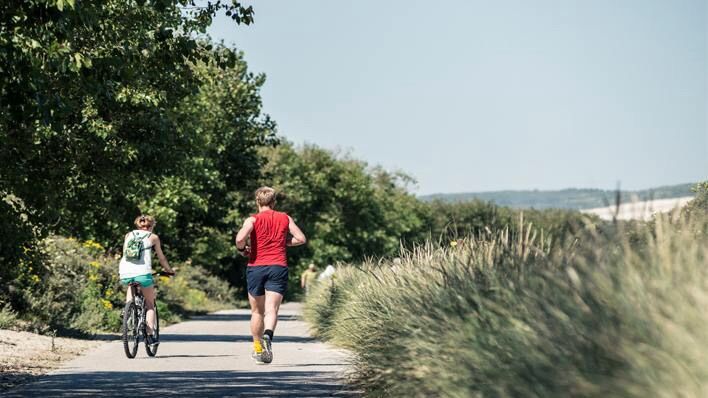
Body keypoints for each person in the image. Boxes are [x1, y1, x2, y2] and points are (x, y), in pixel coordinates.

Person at [236, 187, 307, 364]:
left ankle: (258, 349)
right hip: (278, 266)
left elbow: (239, 239)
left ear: (257, 202)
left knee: (256, 311)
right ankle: (268, 335)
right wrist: (283, 242)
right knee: (272, 310)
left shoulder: (252, 219)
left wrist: (242, 249)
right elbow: (300, 239)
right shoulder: (285, 218)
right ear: (274, 202)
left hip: (256, 267)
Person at [118, 215, 175, 347]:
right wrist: (169, 270)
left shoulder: (128, 235)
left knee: (131, 285)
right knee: (150, 305)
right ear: (152, 225)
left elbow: (125, 255)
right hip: (143, 273)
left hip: (125, 272)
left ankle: (128, 310)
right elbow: (161, 258)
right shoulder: (153, 237)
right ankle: (149, 336)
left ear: (138, 225)